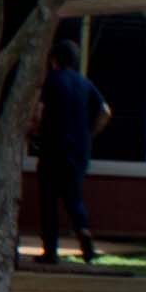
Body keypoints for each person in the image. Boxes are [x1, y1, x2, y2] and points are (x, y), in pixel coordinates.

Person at [35, 36, 109, 267]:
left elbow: (38, 111)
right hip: (78, 151)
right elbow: (106, 111)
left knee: (49, 200)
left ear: (53, 59)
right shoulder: (84, 83)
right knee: (74, 198)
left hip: (52, 148)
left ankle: (50, 251)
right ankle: (84, 233)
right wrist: (90, 133)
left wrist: (32, 130)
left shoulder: (51, 81)